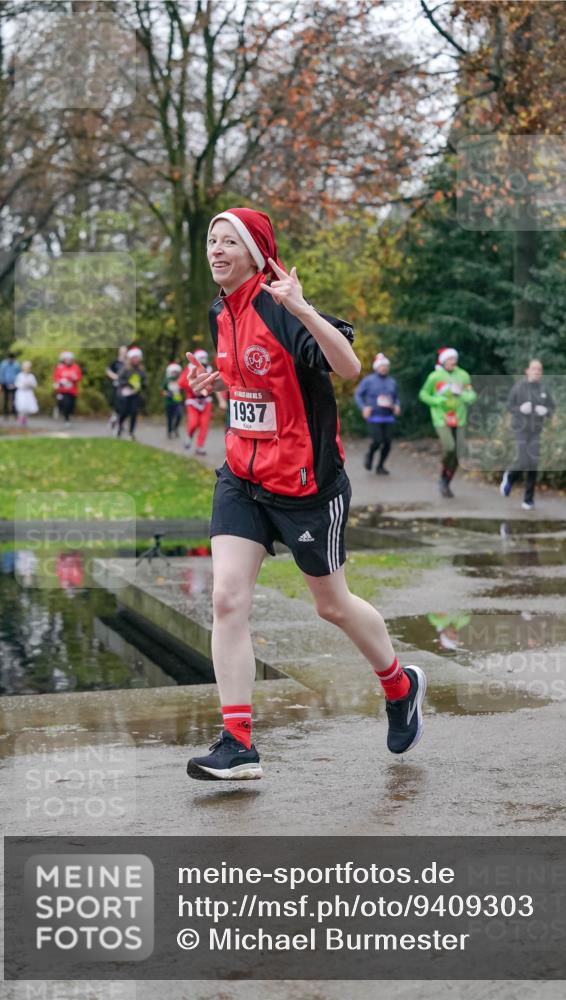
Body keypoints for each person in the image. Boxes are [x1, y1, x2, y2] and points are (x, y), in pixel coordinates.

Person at [185, 206, 427, 781]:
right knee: (227, 599)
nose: (216, 250)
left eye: (229, 242)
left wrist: (303, 308)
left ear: (255, 254)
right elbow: (259, 383)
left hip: (306, 487)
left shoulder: (281, 307)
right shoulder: (222, 311)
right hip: (242, 478)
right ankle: (238, 744)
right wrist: (219, 383)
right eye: (212, 240)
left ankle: (400, 685)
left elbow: (348, 365)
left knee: (331, 605)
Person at [418, 347, 476, 498]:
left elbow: (472, 396)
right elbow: (423, 394)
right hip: (441, 418)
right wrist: (437, 400)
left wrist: (462, 394)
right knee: (450, 447)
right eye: (450, 359)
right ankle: (444, 472)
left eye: (455, 359)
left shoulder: (463, 375)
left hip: (460, 418)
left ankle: (445, 481)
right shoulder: (435, 376)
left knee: (458, 454)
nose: (453, 361)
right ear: (443, 361)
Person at [500, 358, 556, 511]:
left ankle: (528, 499)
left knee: (534, 463)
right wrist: (520, 409)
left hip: (536, 430)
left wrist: (546, 411)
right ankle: (510, 477)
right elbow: (509, 405)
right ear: (527, 371)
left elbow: (552, 408)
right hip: (520, 428)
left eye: (539, 369)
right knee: (524, 460)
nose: (537, 372)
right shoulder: (519, 387)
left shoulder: (544, 389)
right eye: (534, 369)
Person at [354, 353, 401, 475]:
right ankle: (369, 455)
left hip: (388, 417)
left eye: (386, 366)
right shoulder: (368, 380)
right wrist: (364, 408)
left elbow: (395, 398)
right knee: (378, 441)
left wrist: (397, 405)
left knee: (388, 443)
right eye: (382, 366)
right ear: (377, 367)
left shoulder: (391, 381)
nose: (384, 368)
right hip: (374, 417)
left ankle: (380, 466)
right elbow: (358, 395)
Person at [178, 348, 213, 456]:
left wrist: (208, 388)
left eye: (204, 359)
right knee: (193, 423)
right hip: (192, 401)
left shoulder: (209, 369)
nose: (202, 361)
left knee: (204, 425)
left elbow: (214, 385)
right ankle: (189, 436)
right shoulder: (189, 369)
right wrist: (193, 388)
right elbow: (181, 382)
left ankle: (199, 447)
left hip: (206, 401)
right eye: (200, 359)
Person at [116, 346, 146, 440]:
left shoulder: (141, 370)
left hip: (135, 395)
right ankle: (119, 426)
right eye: (134, 358)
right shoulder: (125, 369)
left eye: (137, 358)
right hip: (125, 395)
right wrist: (129, 384)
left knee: (134, 413)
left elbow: (144, 381)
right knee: (124, 412)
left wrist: (141, 385)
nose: (136, 360)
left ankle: (131, 432)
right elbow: (120, 380)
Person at [52, 351, 82, 425]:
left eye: (70, 359)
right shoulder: (60, 367)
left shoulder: (75, 367)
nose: (68, 361)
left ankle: (65, 412)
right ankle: (66, 419)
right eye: (67, 359)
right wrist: (61, 381)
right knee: (66, 404)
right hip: (63, 391)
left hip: (72, 391)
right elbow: (56, 377)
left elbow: (79, 377)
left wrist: (74, 378)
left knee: (72, 405)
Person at [106, 345, 128, 433]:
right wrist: (114, 377)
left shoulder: (128, 363)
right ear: (119, 352)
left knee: (124, 406)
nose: (124, 353)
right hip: (116, 386)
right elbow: (108, 370)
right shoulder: (115, 362)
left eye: (125, 352)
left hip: (125, 387)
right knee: (117, 405)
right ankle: (114, 419)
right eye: (122, 351)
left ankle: (119, 422)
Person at [162, 362, 184, 439]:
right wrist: (167, 394)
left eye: (176, 371)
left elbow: (183, 388)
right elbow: (163, 390)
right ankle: (169, 432)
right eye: (173, 371)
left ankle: (175, 427)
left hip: (178, 402)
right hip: (169, 402)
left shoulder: (180, 380)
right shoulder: (167, 380)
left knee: (179, 415)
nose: (174, 373)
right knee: (170, 418)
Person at [14, 360, 39, 425]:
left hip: (28, 393)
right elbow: (17, 384)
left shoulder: (31, 376)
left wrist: (30, 385)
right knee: (21, 406)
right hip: (21, 392)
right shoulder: (20, 375)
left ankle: (25, 418)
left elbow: (35, 384)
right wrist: (23, 385)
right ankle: (20, 418)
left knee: (27, 406)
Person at [0, 351, 21, 418]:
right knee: (6, 399)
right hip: (5, 384)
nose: (11, 360)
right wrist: (3, 383)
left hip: (15, 384)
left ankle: (14, 412)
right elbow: (0, 373)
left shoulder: (16, 364)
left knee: (15, 399)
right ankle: (5, 413)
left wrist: (17, 383)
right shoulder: (3, 364)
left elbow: (19, 374)